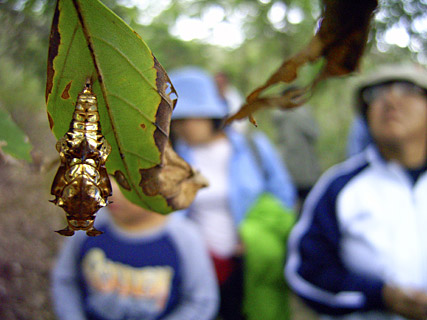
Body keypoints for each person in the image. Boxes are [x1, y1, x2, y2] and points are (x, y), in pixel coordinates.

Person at [285, 63, 427, 320]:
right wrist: (379, 296)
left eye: (408, 89)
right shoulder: (339, 187)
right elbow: (307, 271)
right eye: (376, 94)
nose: (390, 99)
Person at [169, 66, 296, 320]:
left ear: (210, 114)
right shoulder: (175, 156)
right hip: (199, 264)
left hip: (250, 261)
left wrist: (253, 234)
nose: (181, 128)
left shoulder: (251, 148)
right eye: (176, 121)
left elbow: (283, 196)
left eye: (187, 119)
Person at [51, 179, 219, 320]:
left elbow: (201, 300)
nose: (111, 190)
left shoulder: (184, 237)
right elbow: (65, 280)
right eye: (108, 175)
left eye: (127, 182)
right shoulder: (87, 225)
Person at [272, 100, 321, 210]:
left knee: (292, 206)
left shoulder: (280, 115)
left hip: (287, 168)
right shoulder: (300, 114)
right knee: (309, 206)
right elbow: (314, 132)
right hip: (305, 170)